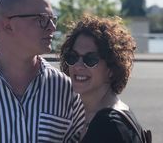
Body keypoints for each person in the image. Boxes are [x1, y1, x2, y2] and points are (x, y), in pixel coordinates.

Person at [0, 0, 85, 143]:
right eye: (42, 18)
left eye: (53, 19)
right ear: (8, 25)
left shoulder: (64, 88)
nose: (52, 27)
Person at [59, 14, 146, 142]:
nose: (78, 66)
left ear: (112, 67)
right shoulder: (89, 117)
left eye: (90, 59)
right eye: (73, 56)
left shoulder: (110, 127)